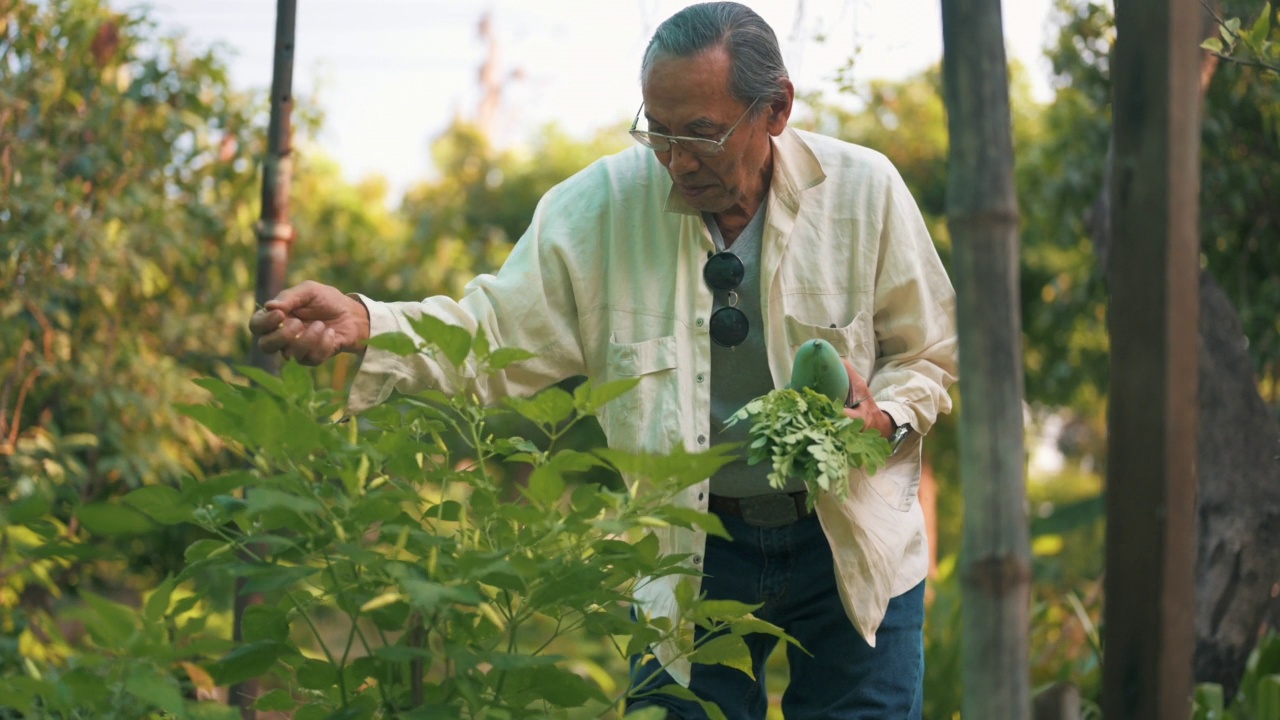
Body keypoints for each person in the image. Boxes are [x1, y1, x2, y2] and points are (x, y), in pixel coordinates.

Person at [250, 3, 957, 717]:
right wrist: (371, 323)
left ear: (775, 110)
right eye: (658, 131)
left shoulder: (864, 193)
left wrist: (885, 416)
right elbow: (492, 332)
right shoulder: (602, 207)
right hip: (691, 545)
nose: (677, 161)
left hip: (850, 530)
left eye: (702, 135)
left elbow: (929, 353)